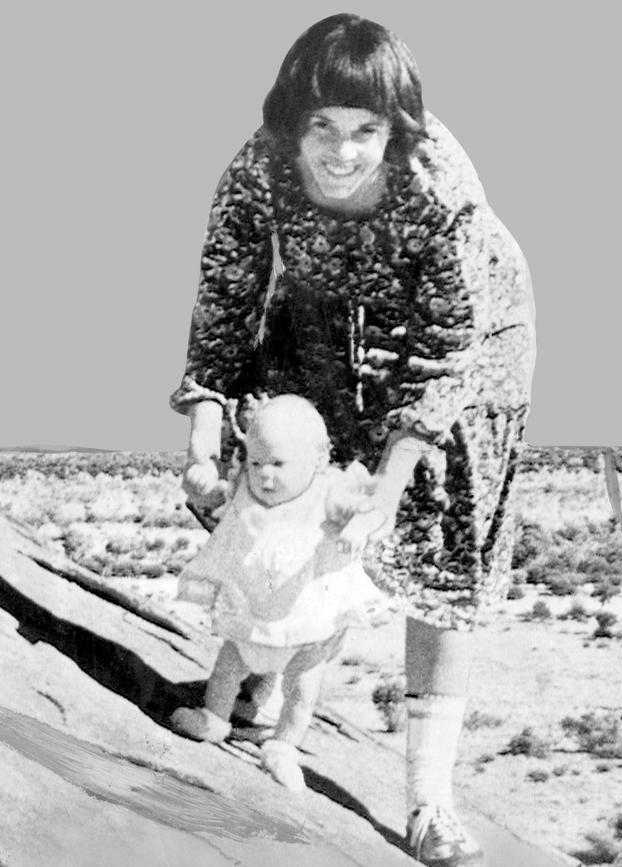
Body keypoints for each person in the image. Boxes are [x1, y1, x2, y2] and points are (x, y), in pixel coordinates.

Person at [170, 13, 535, 866]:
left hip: (467, 345)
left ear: (395, 129)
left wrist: (388, 481)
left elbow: (444, 355)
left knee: (442, 543)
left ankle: (429, 801)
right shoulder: (257, 169)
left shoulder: (440, 192)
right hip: (319, 316)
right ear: (290, 124)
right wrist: (203, 437)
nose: (342, 151)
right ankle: (263, 680)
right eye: (322, 129)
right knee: (273, 469)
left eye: (366, 130)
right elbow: (224, 308)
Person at [169, 395, 390, 792]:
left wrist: (359, 526)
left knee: (302, 689)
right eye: (256, 462)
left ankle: (284, 746)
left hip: (304, 619)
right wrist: (201, 484)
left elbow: (374, 508)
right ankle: (214, 719)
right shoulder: (245, 488)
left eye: (278, 465)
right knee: (229, 667)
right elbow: (216, 502)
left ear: (317, 462)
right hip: (253, 611)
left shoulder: (329, 492)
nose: (265, 476)